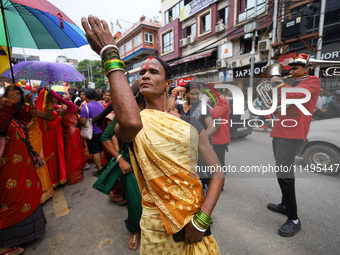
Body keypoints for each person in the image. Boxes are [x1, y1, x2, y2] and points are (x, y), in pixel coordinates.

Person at [82, 15, 224, 254]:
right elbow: (128, 122)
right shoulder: (132, 124)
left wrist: (202, 220)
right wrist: (109, 53)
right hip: (156, 224)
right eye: (142, 73)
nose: (145, 75)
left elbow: (218, 172)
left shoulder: (190, 124)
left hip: (193, 217)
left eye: (153, 72)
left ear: (168, 83)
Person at [268, 53, 321, 237]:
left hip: (292, 134)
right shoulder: (293, 83)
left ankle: (294, 219)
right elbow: (282, 104)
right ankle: (284, 205)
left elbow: (296, 95)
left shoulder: (312, 81)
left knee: (284, 174)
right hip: (280, 131)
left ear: (307, 69)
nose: (291, 71)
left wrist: (278, 82)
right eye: (291, 68)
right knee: (282, 171)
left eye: (296, 68)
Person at [0, 85, 47, 255]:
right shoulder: (5, 115)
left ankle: (25, 234)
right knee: (11, 203)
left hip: (24, 168)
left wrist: (35, 155)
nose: (5, 100)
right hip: (8, 172)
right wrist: (10, 105)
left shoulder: (11, 115)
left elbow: (22, 138)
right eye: (3, 98)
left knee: (27, 198)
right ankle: (4, 246)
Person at [4, 85, 55, 204]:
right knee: (36, 167)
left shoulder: (5, 111)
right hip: (30, 143)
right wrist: (50, 101)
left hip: (12, 148)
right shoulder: (26, 110)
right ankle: (40, 193)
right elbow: (49, 117)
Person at [51, 89, 87, 185]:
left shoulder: (71, 106)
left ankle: (75, 177)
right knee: (69, 155)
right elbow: (51, 106)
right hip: (68, 133)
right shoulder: (62, 107)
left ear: (71, 97)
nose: (64, 95)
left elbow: (58, 98)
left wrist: (50, 90)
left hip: (73, 134)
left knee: (74, 155)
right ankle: (71, 176)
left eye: (66, 94)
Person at [36, 89, 67, 188]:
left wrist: (58, 107)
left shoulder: (42, 107)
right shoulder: (44, 109)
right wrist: (60, 116)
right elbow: (51, 125)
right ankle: (55, 179)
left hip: (53, 134)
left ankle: (57, 179)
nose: (53, 98)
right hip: (51, 136)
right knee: (54, 158)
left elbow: (53, 107)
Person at [79, 89, 105, 170]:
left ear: (86, 97)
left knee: (95, 152)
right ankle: (100, 166)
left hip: (91, 133)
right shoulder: (101, 105)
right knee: (101, 150)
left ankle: (99, 169)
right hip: (101, 130)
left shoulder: (86, 107)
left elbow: (83, 122)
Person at [208, 88, 230, 168]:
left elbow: (215, 114)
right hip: (214, 134)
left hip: (220, 135)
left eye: (211, 92)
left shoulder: (223, 101)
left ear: (218, 92)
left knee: (219, 160)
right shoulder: (213, 100)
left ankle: (220, 177)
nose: (209, 94)